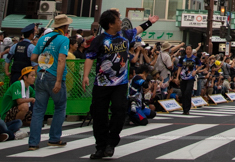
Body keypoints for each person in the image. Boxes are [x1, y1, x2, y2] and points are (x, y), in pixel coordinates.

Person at [82, 9, 158, 159]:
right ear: (110, 24)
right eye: (117, 20)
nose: (120, 22)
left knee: (119, 110)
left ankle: (111, 143)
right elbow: (90, 57)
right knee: (99, 115)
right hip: (102, 84)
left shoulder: (124, 35)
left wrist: (149, 22)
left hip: (120, 84)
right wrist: (85, 76)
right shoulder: (100, 40)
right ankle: (100, 147)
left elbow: (137, 29)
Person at [27, 15, 72, 151]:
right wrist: (58, 81)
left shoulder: (42, 39)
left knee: (39, 109)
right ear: (64, 27)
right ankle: (54, 138)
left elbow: (33, 57)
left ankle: (33, 143)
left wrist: (43, 63)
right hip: (54, 76)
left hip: (41, 75)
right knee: (59, 107)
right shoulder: (63, 39)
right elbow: (61, 60)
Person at [177, 46, 200, 115]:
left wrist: (195, 71)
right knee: (183, 93)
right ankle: (184, 109)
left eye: (189, 49)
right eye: (187, 49)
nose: (188, 51)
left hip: (191, 78)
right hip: (183, 77)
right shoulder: (182, 58)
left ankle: (187, 108)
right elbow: (179, 67)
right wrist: (177, 77)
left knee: (188, 92)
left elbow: (200, 65)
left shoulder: (195, 58)